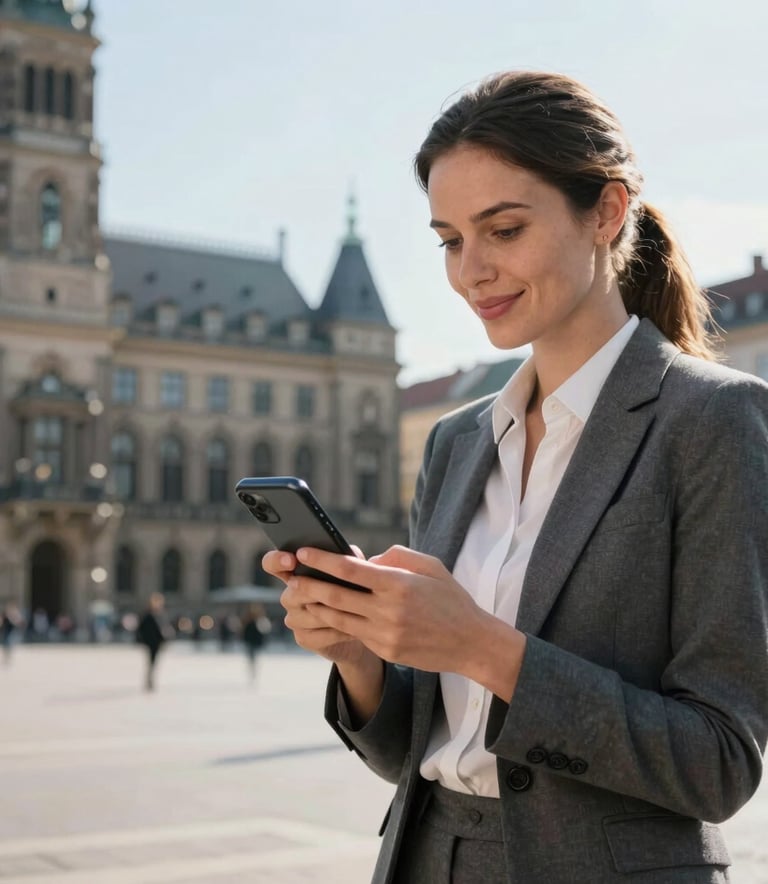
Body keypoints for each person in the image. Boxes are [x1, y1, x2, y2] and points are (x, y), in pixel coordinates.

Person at [264, 71, 768, 883]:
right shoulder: (456, 441)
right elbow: (416, 752)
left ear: (606, 212)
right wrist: (360, 657)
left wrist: (486, 649)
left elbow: (719, 763)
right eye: (451, 240)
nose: (471, 272)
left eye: (502, 230)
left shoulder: (712, 419)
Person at [135, 592, 169, 691]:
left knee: (153, 662)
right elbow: (141, 629)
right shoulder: (148, 615)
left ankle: (150, 680)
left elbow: (163, 628)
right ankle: (149, 680)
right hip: (151, 642)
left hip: (157, 642)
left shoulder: (161, 614)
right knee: (151, 662)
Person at [241, 604, 269, 683]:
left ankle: (253, 673)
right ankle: (252, 673)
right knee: (252, 660)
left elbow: (263, 632)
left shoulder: (259, 620)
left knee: (253, 660)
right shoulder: (248, 621)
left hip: (254, 643)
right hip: (251, 643)